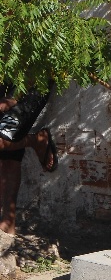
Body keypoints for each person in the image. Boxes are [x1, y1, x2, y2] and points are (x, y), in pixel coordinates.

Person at [0, 88, 56, 236]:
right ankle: (8, 223)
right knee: (8, 156)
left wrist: (15, 97)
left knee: (2, 142)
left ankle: (36, 140)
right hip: (6, 82)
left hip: (32, 84)